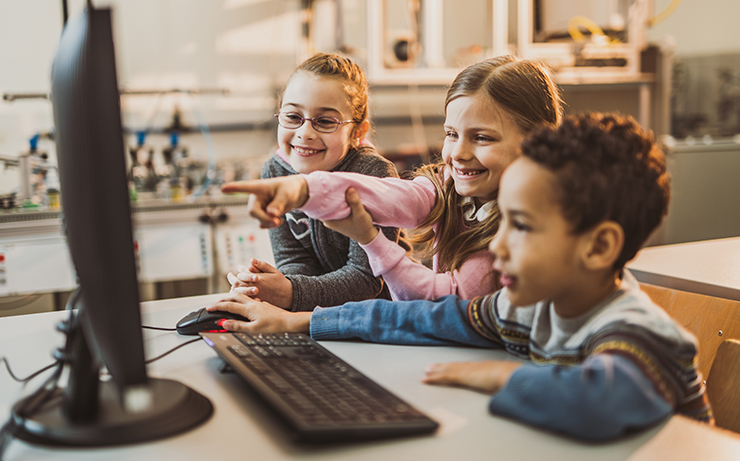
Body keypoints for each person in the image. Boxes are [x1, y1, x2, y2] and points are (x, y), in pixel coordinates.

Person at [209, 113, 713, 441]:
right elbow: (425, 319)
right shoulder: (524, 308)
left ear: (599, 247)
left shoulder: (637, 332)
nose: (497, 245)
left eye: (522, 227)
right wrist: (300, 324)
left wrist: (499, 375)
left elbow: (600, 402)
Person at [222, 55, 563, 301]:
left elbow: (447, 300)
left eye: (482, 137)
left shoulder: (519, 228)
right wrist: (301, 188)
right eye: (451, 134)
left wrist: (369, 240)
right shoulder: (448, 185)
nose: (458, 153)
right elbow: (391, 197)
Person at [225, 52, 407, 312]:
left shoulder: (373, 174)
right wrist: (272, 286)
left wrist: (290, 292)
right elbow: (294, 258)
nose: (305, 133)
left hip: (381, 318)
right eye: (292, 117)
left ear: (357, 131)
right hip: (320, 315)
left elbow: (367, 281)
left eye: (324, 121)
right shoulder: (276, 171)